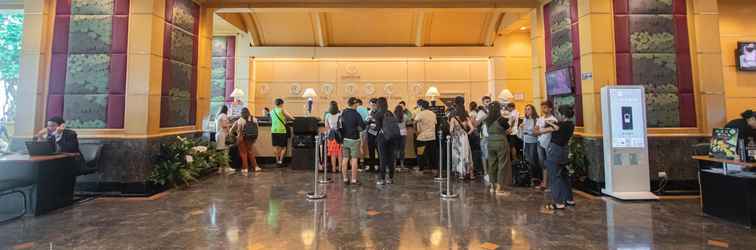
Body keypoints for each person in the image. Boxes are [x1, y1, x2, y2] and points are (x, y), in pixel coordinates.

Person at [540, 105, 576, 210]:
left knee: (554, 176)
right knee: (564, 176)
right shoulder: (571, 124)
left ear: (563, 115)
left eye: (559, 113)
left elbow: (555, 128)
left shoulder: (561, 125)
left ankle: (558, 202)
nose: (558, 115)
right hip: (564, 150)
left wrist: (549, 122)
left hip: (555, 151)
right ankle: (569, 199)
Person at [484, 101, 511, 195]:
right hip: (501, 142)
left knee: (492, 164)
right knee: (502, 164)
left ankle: (492, 186)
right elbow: (509, 131)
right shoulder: (502, 119)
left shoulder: (487, 120)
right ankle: (499, 189)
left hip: (490, 142)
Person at [373, 97, 401, 185]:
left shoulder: (378, 114)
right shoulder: (390, 113)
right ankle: (391, 178)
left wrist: (370, 127)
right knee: (391, 158)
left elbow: (377, 128)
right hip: (392, 138)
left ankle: (382, 179)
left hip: (382, 138)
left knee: (382, 158)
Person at [340, 97, 366, 185]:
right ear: (354, 104)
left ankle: (345, 179)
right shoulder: (356, 114)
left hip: (344, 139)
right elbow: (362, 127)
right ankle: (354, 180)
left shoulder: (343, 113)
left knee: (345, 158)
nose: (357, 106)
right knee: (354, 159)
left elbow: (340, 125)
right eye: (357, 104)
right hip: (354, 139)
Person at [449, 96, 475, 180]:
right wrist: (466, 133)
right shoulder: (466, 115)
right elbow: (472, 128)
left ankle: (460, 174)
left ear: (455, 103)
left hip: (456, 138)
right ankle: (470, 174)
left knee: (457, 155)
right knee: (466, 154)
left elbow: (451, 130)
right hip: (464, 137)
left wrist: (453, 134)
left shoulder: (453, 116)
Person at [534, 100, 557, 191]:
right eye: (542, 107)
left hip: (549, 144)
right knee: (543, 164)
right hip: (540, 142)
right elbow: (535, 131)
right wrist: (540, 131)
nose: (543, 109)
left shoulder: (553, 119)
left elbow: (548, 130)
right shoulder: (540, 118)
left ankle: (550, 185)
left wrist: (540, 131)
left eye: (545, 107)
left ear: (550, 108)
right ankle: (544, 183)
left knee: (549, 164)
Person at [230, 108, 260, 176]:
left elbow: (234, 131)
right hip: (251, 138)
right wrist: (255, 138)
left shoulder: (240, 120)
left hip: (242, 138)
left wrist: (236, 138)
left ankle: (245, 168)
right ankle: (256, 167)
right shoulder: (254, 119)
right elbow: (257, 129)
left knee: (243, 153)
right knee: (250, 152)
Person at [520, 104, 540, 186]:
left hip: (533, 141)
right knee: (527, 159)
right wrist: (523, 129)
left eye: (528, 109)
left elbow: (535, 132)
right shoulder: (525, 119)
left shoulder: (536, 119)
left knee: (533, 159)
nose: (527, 111)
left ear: (533, 110)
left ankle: (536, 177)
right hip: (526, 140)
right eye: (526, 109)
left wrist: (527, 130)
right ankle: (530, 177)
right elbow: (523, 131)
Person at [414, 99, 437, 172]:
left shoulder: (420, 113)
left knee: (420, 153)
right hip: (432, 136)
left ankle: (421, 168)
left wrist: (416, 131)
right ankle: (433, 168)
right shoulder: (433, 114)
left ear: (421, 106)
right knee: (432, 154)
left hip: (422, 137)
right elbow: (435, 123)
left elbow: (414, 122)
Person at [270, 98, 294, 167]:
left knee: (275, 146)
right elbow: (290, 117)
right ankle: (280, 162)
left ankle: (277, 162)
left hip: (274, 130)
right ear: (281, 104)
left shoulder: (272, 111)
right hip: (281, 130)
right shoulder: (281, 110)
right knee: (283, 147)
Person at [325, 101, 342, 173]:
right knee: (340, 153)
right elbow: (341, 125)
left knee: (333, 153)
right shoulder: (340, 115)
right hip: (339, 135)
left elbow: (327, 126)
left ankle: (334, 169)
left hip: (331, 135)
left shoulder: (327, 115)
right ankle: (340, 168)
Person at [363, 98, 379, 172]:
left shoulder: (380, 112)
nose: (372, 106)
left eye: (373, 105)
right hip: (370, 134)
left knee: (379, 151)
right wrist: (368, 120)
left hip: (378, 135)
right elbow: (365, 123)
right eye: (371, 105)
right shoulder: (369, 112)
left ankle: (380, 166)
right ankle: (371, 167)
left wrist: (373, 121)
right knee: (371, 151)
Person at [468, 102, 484, 177]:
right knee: (478, 151)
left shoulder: (471, 114)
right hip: (477, 133)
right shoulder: (477, 113)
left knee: (474, 152)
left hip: (473, 134)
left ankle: (475, 168)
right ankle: (479, 168)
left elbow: (473, 124)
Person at [215, 105, 232, 173]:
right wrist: (230, 125)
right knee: (225, 151)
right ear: (226, 110)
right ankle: (226, 167)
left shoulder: (218, 116)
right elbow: (224, 125)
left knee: (220, 151)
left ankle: (220, 168)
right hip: (222, 135)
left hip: (218, 135)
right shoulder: (224, 116)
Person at [394, 104, 410, 171]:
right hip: (403, 133)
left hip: (395, 133)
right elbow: (409, 123)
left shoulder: (393, 116)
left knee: (395, 150)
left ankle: (394, 165)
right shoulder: (405, 116)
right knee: (402, 150)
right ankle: (402, 165)